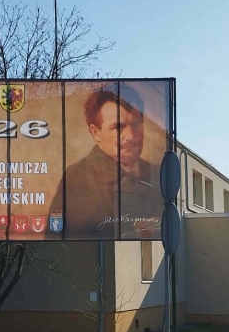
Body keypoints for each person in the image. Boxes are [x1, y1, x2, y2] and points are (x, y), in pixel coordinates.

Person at [49, 84, 164, 240]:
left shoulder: (159, 174)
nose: (130, 136)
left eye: (136, 124)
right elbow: (56, 239)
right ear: (96, 133)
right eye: (118, 127)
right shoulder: (75, 179)